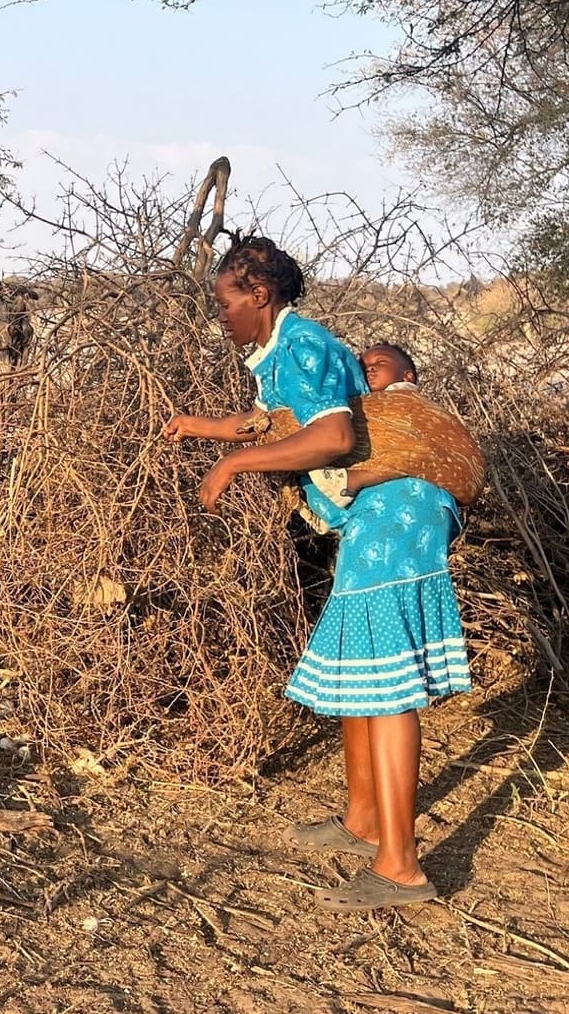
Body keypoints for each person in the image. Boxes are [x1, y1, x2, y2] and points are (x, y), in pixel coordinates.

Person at [162, 236, 469, 911]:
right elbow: (269, 421)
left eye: (226, 302)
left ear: (260, 297)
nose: (221, 315)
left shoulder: (304, 342)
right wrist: (203, 430)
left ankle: (402, 868)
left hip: (397, 511)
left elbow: (329, 437)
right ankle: (364, 823)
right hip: (373, 517)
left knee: (388, 686)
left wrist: (233, 465)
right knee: (364, 670)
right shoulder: (279, 352)